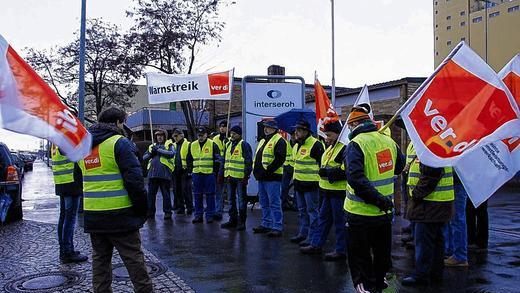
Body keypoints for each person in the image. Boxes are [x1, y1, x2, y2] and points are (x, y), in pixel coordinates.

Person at [78, 106, 152, 292]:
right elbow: (135, 182)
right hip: (121, 215)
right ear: (118, 122)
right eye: (123, 122)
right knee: (134, 261)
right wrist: (143, 211)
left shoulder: (83, 146)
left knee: (100, 263)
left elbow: (78, 180)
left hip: (94, 215)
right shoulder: (119, 143)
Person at [343, 106, 404, 293]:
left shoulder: (356, 144)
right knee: (381, 253)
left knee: (360, 256)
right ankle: (380, 283)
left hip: (359, 213)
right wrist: (382, 200)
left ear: (354, 124)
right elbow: (399, 167)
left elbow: (355, 179)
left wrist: (377, 199)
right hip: (383, 212)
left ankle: (366, 287)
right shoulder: (388, 140)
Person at [401, 147, 455, 287]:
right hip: (436, 203)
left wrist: (416, 194)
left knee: (424, 242)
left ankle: (421, 275)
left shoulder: (429, 142)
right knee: (436, 241)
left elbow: (432, 173)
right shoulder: (429, 140)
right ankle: (434, 273)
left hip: (429, 203)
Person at [300, 120, 347, 261]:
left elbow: (346, 171)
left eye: (329, 135)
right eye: (326, 135)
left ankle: (340, 250)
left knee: (339, 222)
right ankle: (316, 244)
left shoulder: (344, 148)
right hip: (327, 190)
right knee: (323, 219)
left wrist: (327, 172)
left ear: (338, 134)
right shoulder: (330, 147)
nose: (326, 138)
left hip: (338, 191)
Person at [289, 120, 324, 247]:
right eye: (296, 130)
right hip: (299, 184)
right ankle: (303, 233)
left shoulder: (316, 145)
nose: (296, 132)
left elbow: (322, 165)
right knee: (302, 211)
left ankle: (313, 237)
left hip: (311, 185)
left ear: (306, 131)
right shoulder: (297, 145)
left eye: (298, 130)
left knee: (312, 212)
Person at [51, 144, 88, 263]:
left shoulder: (55, 141)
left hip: (62, 182)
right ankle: (67, 252)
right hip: (70, 182)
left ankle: (65, 249)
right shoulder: (64, 140)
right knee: (70, 218)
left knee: (64, 218)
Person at [252, 120, 287, 237]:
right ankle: (266, 223)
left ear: (274, 129)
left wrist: (267, 171)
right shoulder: (263, 140)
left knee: (274, 203)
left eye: (268, 127)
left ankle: (277, 226)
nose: (265, 129)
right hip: (262, 177)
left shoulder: (279, 140)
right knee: (264, 202)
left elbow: (279, 159)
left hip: (272, 177)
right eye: (265, 127)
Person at [220, 125, 253, 231]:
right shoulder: (228, 144)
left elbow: (248, 161)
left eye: (234, 133)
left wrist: (246, 176)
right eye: (231, 133)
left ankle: (241, 222)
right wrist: (221, 174)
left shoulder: (244, 145)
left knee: (241, 201)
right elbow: (224, 160)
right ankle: (232, 220)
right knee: (230, 200)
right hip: (229, 176)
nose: (232, 135)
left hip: (240, 178)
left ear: (239, 134)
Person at [187, 126, 221, 223]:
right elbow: (189, 159)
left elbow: (217, 160)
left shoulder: (212, 145)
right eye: (199, 135)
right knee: (197, 195)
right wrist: (191, 171)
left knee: (210, 195)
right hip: (197, 173)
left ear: (206, 135)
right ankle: (198, 215)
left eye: (202, 135)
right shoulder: (192, 145)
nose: (200, 137)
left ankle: (210, 215)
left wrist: (215, 172)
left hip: (209, 174)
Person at [143, 129, 175, 219]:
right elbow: (144, 157)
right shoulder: (152, 146)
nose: (159, 137)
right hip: (153, 174)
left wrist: (159, 151)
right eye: (158, 135)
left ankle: (168, 212)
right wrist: (151, 154)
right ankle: (150, 212)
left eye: (161, 135)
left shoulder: (169, 144)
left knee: (166, 195)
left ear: (165, 136)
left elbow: (172, 153)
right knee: (151, 195)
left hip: (164, 174)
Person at [443, 171, 469, 267]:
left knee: (457, 219)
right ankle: (454, 252)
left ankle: (460, 256)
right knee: (454, 219)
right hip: (457, 182)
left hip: (457, 182)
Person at [171, 129, 193, 215]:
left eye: (176, 136)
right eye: (174, 136)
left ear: (182, 135)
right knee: (178, 190)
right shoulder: (173, 145)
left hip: (185, 171)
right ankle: (181, 208)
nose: (175, 138)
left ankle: (190, 207)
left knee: (186, 190)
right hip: (176, 171)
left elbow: (191, 158)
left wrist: (190, 170)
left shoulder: (188, 144)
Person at [214, 121, 229, 220]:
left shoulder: (230, 139)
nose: (222, 128)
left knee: (230, 193)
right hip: (218, 168)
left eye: (224, 126)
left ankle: (234, 214)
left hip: (228, 169)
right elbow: (214, 152)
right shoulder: (215, 139)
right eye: (221, 127)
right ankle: (218, 210)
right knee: (218, 191)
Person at [282, 132, 296, 211]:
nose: (293, 137)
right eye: (292, 135)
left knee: (296, 188)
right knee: (284, 187)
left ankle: (295, 205)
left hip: (295, 168)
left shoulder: (299, 145)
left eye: (295, 135)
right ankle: (283, 203)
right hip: (287, 167)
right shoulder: (286, 144)